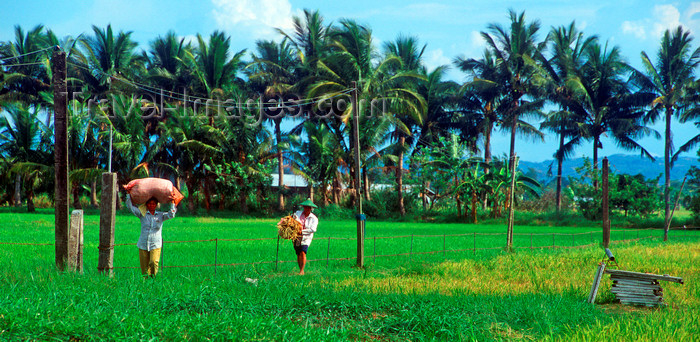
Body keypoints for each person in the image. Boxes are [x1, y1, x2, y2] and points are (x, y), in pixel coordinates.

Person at [126, 194, 177, 277]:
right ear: (146, 204)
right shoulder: (142, 214)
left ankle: (153, 279)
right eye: (149, 204)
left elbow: (171, 215)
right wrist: (128, 195)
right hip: (143, 244)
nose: (151, 205)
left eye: (153, 204)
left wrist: (172, 203)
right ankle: (146, 283)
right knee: (144, 268)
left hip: (155, 244)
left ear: (156, 205)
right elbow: (131, 208)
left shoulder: (161, 215)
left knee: (153, 262)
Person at [292, 198, 318, 275]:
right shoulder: (297, 213)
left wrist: (302, 231)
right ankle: (300, 269)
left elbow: (313, 229)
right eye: (306, 207)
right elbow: (292, 219)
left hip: (306, 237)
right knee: (298, 253)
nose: (307, 209)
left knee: (303, 252)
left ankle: (302, 271)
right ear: (303, 207)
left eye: (309, 207)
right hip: (296, 236)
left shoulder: (314, 218)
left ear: (311, 209)